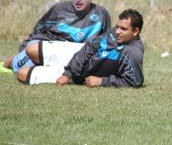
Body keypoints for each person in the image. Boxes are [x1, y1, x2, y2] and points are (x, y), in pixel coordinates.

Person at [16, 9, 144, 88]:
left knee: (21, 74)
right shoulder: (113, 33)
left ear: (136, 31)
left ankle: (36, 66)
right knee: (31, 49)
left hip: (81, 74)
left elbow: (135, 81)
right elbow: (89, 47)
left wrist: (102, 81)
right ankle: (10, 62)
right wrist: (68, 72)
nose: (117, 31)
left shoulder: (133, 53)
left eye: (123, 29)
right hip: (77, 53)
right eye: (117, 27)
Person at [4, 0, 111, 73]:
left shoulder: (101, 14)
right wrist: (26, 48)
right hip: (51, 46)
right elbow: (39, 30)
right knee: (18, 68)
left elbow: (106, 40)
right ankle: (13, 61)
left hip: (79, 53)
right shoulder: (59, 10)